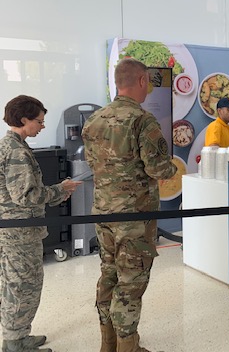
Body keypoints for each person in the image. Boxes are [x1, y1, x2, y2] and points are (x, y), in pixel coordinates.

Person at [83, 58, 177, 352]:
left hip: (103, 213)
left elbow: (93, 164)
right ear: (140, 81)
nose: (148, 87)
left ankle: (107, 344)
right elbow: (159, 169)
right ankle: (128, 347)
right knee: (131, 282)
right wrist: (172, 169)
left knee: (108, 274)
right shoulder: (142, 120)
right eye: (148, 81)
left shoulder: (94, 120)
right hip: (135, 218)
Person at [0, 96, 80, 352]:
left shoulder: (10, 145)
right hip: (20, 234)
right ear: (23, 119)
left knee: (16, 284)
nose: (42, 126)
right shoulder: (17, 151)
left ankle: (18, 336)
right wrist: (60, 190)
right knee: (23, 286)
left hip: (17, 231)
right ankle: (15, 343)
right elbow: (26, 196)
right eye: (39, 121)